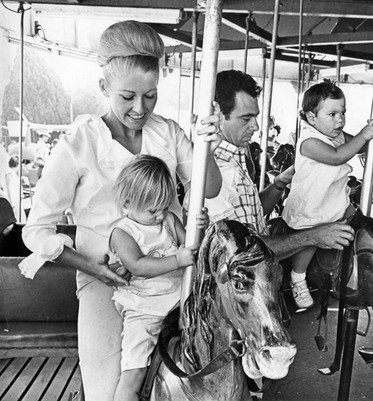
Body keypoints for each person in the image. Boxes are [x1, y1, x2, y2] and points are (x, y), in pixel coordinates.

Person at [20, 20, 222, 401]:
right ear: (103, 87)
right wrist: (94, 267)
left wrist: (206, 141)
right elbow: (37, 231)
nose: (139, 108)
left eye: (150, 96)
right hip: (106, 279)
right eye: (127, 96)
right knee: (108, 390)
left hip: (176, 270)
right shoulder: (79, 142)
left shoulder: (167, 132)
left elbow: (208, 187)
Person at [206, 70, 355, 264]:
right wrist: (313, 236)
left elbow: (252, 215)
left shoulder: (237, 157)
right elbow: (241, 250)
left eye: (255, 117)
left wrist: (278, 184)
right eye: (245, 119)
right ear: (217, 116)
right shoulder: (216, 170)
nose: (256, 126)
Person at [109, 154, 207, 401]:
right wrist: (176, 260)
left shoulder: (170, 221)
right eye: (153, 210)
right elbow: (138, 265)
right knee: (134, 370)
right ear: (128, 203)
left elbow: (192, 246)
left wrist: (200, 227)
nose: (161, 216)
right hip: (145, 307)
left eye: (164, 208)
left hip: (181, 298)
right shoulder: (123, 233)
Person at [282, 81, 373, 309]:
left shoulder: (334, 133)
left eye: (343, 112)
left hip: (335, 202)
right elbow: (338, 156)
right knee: (310, 239)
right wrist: (363, 135)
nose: (340, 119)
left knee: (360, 224)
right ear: (311, 118)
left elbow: (359, 147)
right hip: (312, 206)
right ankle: (298, 277)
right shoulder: (309, 141)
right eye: (332, 114)